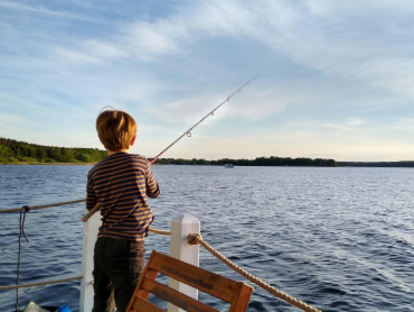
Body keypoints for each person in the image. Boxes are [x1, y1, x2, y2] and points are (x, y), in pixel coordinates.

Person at [86, 109, 160, 312]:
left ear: (101, 139)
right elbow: (154, 192)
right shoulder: (140, 162)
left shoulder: (94, 171)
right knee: (129, 306)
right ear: (133, 139)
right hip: (128, 248)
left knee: (102, 303)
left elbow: (91, 204)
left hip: (102, 246)